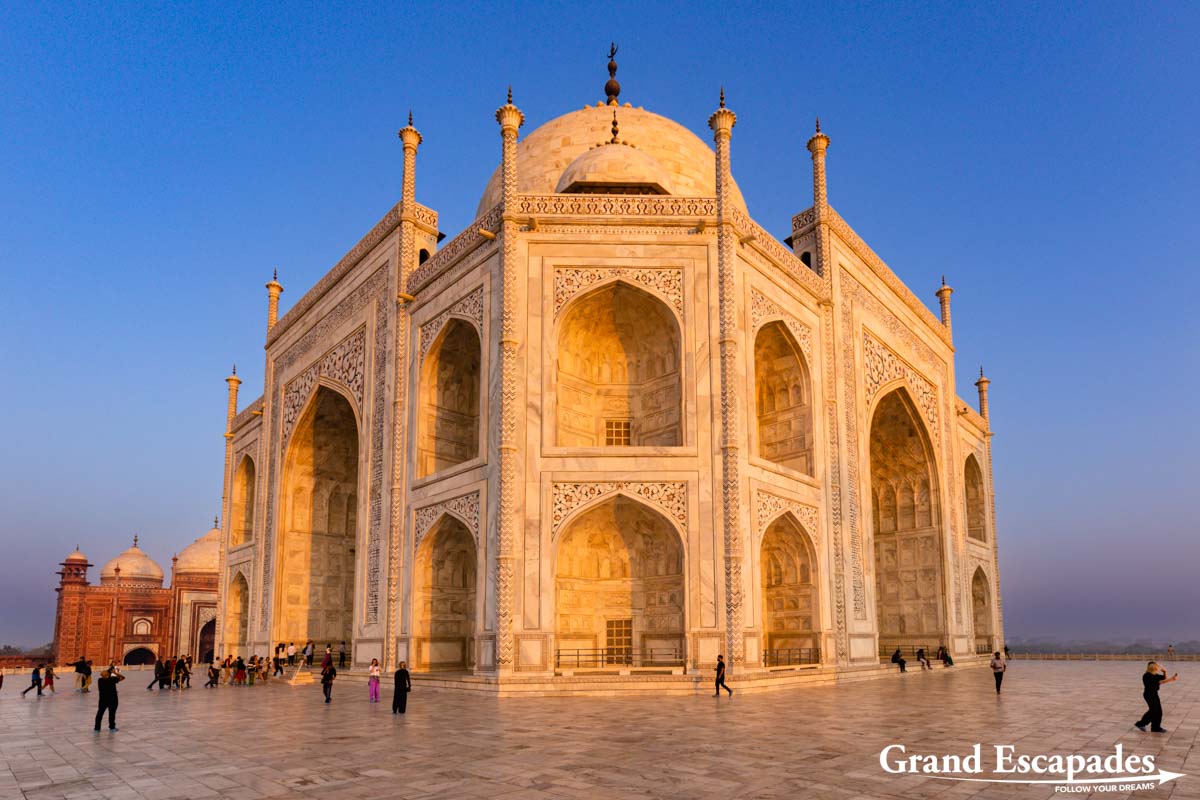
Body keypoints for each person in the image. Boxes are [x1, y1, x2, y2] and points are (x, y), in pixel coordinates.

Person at [1135, 661, 1178, 733]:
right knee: (1153, 710)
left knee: (1158, 711)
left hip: (1154, 694)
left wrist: (1165, 672)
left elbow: (1163, 679)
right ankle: (1141, 724)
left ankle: (1155, 727)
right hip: (1149, 695)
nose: (1158, 667)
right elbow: (1161, 681)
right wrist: (1171, 679)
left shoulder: (1155, 675)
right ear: (1153, 668)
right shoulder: (1147, 675)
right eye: (1157, 666)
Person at [94, 666, 125, 732]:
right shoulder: (112, 679)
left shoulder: (100, 680)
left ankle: (97, 728)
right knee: (112, 713)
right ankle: (112, 727)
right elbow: (123, 677)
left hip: (103, 699)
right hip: (112, 699)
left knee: (100, 713)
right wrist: (115, 673)